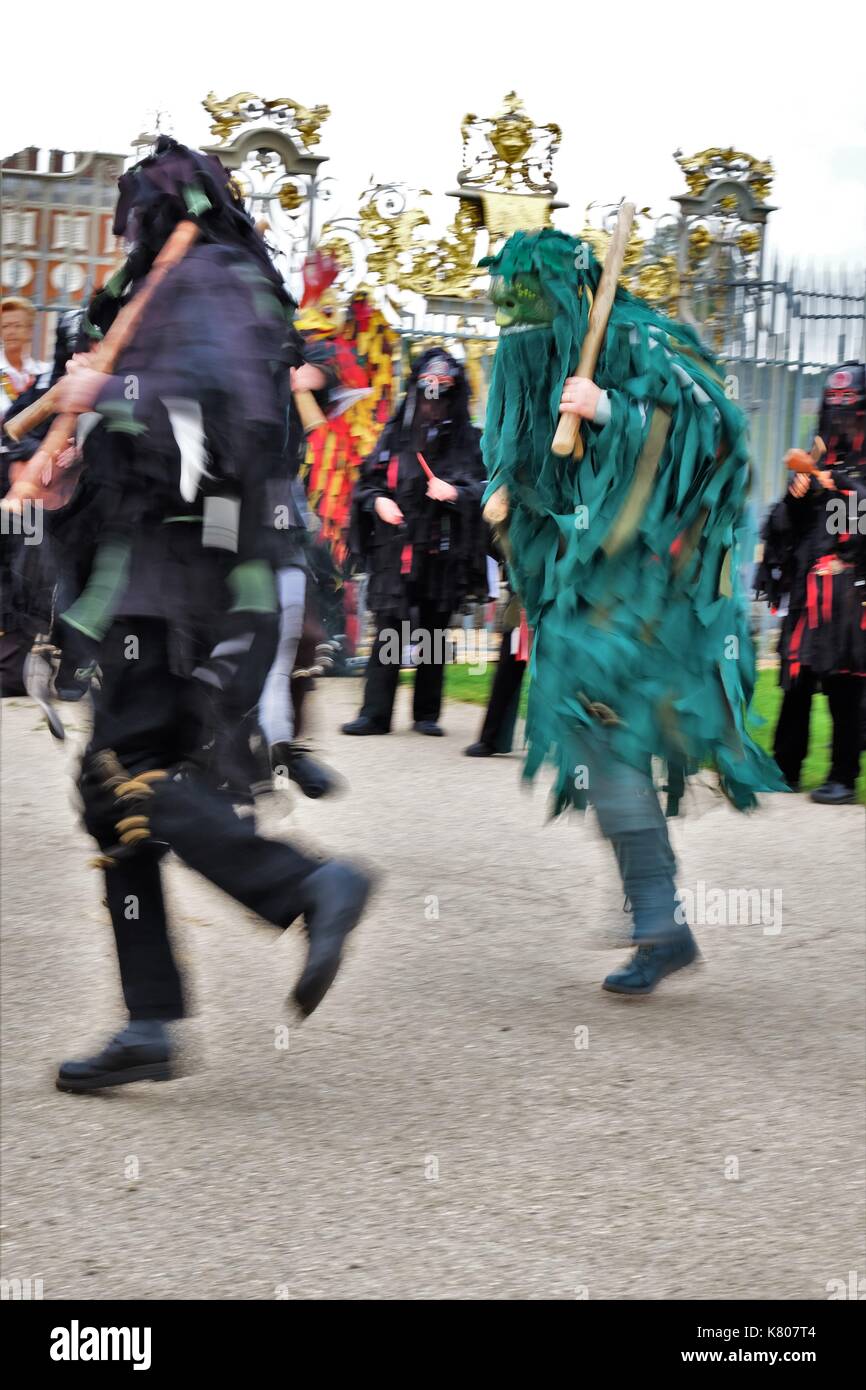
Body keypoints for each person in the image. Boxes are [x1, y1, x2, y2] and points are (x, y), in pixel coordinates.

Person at [4, 138, 375, 1093]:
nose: (130, 231)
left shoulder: (211, 279)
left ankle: (301, 888)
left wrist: (109, 389)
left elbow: (228, 421)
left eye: (138, 211)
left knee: (122, 779)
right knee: (114, 794)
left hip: (192, 584)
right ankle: (152, 1017)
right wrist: (72, 469)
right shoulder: (172, 290)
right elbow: (152, 448)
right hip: (165, 577)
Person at [481, 228, 786, 995]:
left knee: (600, 726)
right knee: (588, 734)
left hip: (647, 587)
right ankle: (661, 919)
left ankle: (658, 914)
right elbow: (535, 453)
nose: (514, 318)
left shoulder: (634, 338)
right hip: (579, 592)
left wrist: (612, 407)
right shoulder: (535, 356)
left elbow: (717, 427)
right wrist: (510, 487)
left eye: (527, 301)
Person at [342, 348, 487, 737]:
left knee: (434, 632)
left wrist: (454, 493)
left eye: (441, 395)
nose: (432, 405)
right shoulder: (395, 435)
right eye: (426, 395)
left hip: (441, 552)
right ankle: (375, 714)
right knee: (389, 630)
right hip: (397, 549)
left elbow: (481, 489)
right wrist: (379, 502)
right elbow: (367, 484)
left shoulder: (467, 441)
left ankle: (426, 714)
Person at [756, 362, 866, 804]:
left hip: (851, 592)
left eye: (849, 405)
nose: (840, 413)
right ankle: (785, 768)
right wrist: (797, 497)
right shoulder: (818, 455)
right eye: (834, 404)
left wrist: (838, 486)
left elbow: (856, 525)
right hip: (809, 590)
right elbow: (786, 528)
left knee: (845, 684)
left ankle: (843, 774)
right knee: (796, 681)